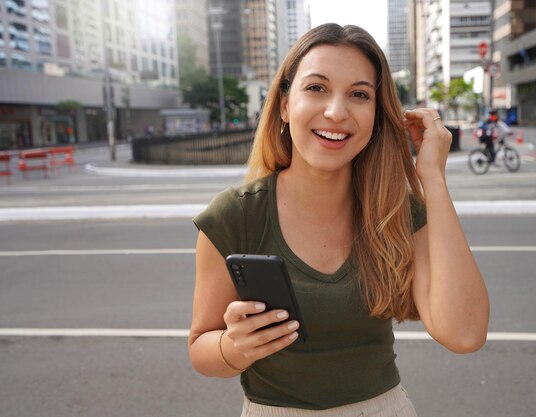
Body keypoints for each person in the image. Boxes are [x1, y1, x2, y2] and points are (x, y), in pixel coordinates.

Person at [189, 23, 489, 416]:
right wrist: (234, 346)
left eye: (359, 95)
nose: (336, 112)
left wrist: (432, 179)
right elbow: (200, 348)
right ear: (284, 104)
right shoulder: (235, 215)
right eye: (316, 88)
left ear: (377, 115)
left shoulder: (396, 212)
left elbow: (464, 334)